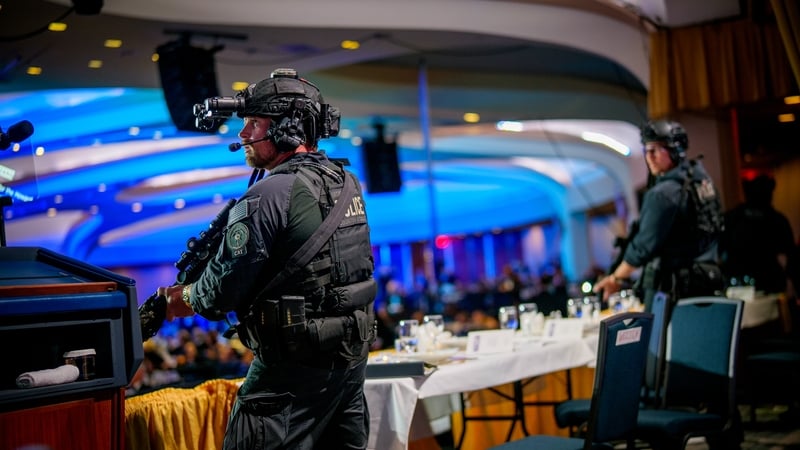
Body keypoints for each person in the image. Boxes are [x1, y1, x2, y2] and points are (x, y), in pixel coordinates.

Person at [157, 68, 377, 450]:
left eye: (254, 123)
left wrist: (184, 297)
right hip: (349, 363)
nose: (243, 134)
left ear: (287, 129)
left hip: (289, 375)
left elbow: (221, 292)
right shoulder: (346, 182)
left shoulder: (267, 195)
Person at [593, 119, 725, 312]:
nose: (649, 157)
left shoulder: (663, 194)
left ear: (675, 150)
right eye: (646, 150)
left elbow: (643, 247)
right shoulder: (702, 181)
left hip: (673, 292)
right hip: (708, 282)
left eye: (655, 149)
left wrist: (615, 278)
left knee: (658, 342)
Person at [721, 174, 796, 297]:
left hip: (743, 287)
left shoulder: (732, 218)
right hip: (764, 286)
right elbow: (790, 257)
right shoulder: (777, 220)